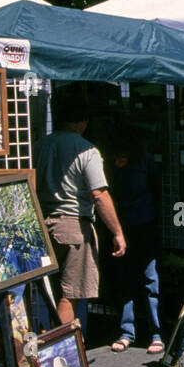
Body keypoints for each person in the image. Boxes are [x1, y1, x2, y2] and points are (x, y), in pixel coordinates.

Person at [36, 88, 127, 335]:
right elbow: (98, 194)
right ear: (84, 122)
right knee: (69, 295)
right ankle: (61, 352)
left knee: (48, 293)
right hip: (73, 227)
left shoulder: (39, 146)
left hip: (41, 226)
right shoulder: (87, 150)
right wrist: (117, 231)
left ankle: (50, 346)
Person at [108, 135, 162, 355]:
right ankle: (127, 332)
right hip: (122, 228)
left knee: (151, 279)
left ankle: (156, 332)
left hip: (146, 225)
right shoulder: (109, 166)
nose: (118, 160)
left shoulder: (145, 162)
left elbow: (157, 191)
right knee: (126, 280)